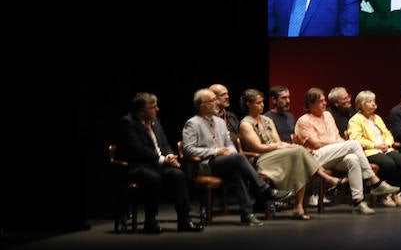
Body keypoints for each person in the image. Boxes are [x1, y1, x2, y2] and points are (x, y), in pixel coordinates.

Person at [294, 86, 401, 215]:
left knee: (353, 159)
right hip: (316, 158)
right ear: (311, 104)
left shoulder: (327, 115)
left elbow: (337, 137)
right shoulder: (304, 120)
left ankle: (358, 202)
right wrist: (344, 144)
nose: (325, 103)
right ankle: (374, 181)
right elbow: (316, 143)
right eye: (321, 101)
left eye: (324, 100)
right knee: (353, 144)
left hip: (333, 156)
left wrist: (343, 144)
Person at [181, 88, 279, 226]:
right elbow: (188, 150)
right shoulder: (192, 123)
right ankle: (264, 190)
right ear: (202, 105)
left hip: (225, 163)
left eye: (216, 99)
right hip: (206, 164)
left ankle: (247, 214)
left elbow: (229, 143)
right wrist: (216, 151)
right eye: (212, 100)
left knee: (236, 171)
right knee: (238, 159)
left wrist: (231, 151)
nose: (216, 103)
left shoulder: (220, 122)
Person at [238, 88, 339, 220]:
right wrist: (279, 146)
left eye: (262, 102)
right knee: (299, 151)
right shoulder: (246, 124)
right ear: (248, 104)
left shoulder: (266, 120)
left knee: (298, 153)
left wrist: (287, 145)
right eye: (258, 103)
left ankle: (299, 207)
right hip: (261, 159)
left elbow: (278, 141)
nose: (262, 105)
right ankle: (324, 177)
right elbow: (258, 147)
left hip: (276, 154)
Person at [115, 93, 201, 233]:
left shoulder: (155, 121)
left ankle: (184, 220)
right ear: (142, 111)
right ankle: (150, 222)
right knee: (153, 178)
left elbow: (164, 144)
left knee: (178, 175)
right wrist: (162, 160)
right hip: (138, 166)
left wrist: (170, 155)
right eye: (153, 107)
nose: (157, 109)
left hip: (157, 165)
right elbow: (137, 149)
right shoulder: (128, 122)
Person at [347, 90, 401, 207]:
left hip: (385, 149)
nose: (373, 104)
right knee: (389, 164)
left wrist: (388, 143)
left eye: (374, 101)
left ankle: (395, 193)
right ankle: (384, 195)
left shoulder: (376, 118)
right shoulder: (355, 120)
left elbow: (387, 133)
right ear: (361, 104)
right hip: (369, 151)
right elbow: (356, 139)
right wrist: (375, 145)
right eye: (369, 102)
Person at [208, 83, 240, 147]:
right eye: (223, 95)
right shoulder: (205, 118)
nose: (227, 97)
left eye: (227, 94)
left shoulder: (231, 116)